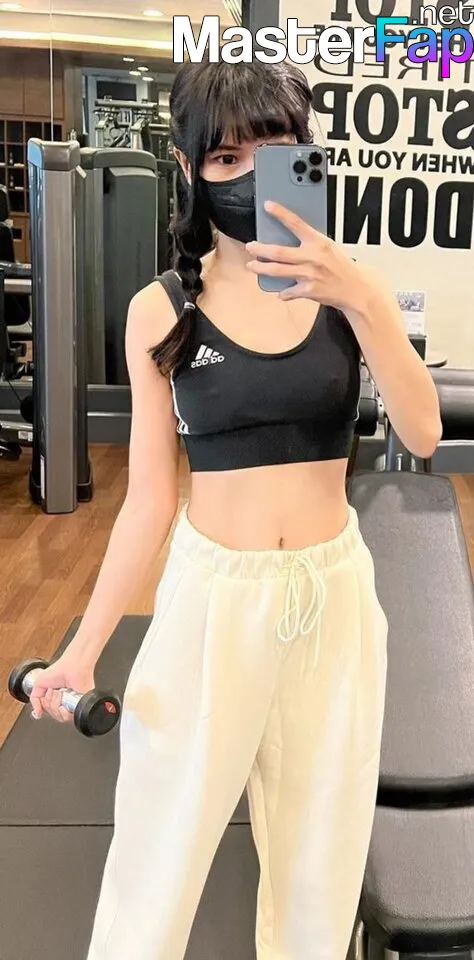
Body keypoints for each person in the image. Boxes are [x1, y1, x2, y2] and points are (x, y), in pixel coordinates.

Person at [30, 59, 442, 960]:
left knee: (319, 867)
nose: (252, 176)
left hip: (334, 599)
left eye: (277, 150)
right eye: (226, 158)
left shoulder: (350, 291)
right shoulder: (161, 309)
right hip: (211, 602)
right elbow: (147, 500)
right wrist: (84, 648)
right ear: (189, 169)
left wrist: (359, 296)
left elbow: (423, 429)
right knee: (158, 851)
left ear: (307, 155)